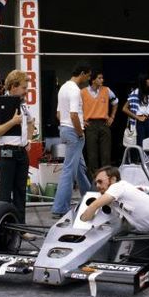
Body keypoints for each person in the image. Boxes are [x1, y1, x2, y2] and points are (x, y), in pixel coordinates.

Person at [0, 70, 35, 228]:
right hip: (7, 152)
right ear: (13, 87)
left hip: (21, 152)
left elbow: (31, 121)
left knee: (21, 192)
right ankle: (3, 228)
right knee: (5, 194)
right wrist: (12, 122)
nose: (26, 91)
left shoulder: (23, 106)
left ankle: (20, 228)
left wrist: (29, 139)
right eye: (23, 88)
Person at [51, 64, 92, 219]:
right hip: (74, 133)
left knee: (80, 168)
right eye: (88, 76)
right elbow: (74, 114)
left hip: (65, 129)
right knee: (69, 170)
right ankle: (60, 208)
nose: (88, 79)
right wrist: (79, 131)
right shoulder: (75, 90)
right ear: (82, 73)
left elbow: (59, 114)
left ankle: (89, 196)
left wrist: (72, 124)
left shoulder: (63, 88)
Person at [80, 166, 149, 232]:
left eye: (100, 181)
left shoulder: (117, 186)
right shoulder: (124, 188)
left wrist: (83, 219)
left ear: (113, 179)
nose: (97, 186)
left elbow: (94, 206)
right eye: (96, 183)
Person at [81, 70, 119, 178]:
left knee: (106, 154)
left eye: (102, 78)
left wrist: (112, 116)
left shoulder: (106, 90)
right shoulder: (83, 92)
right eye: (99, 78)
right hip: (90, 124)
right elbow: (77, 107)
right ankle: (93, 180)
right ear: (93, 80)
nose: (102, 80)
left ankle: (106, 178)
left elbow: (115, 103)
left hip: (104, 124)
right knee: (92, 155)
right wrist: (82, 120)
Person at [122, 74, 149, 146]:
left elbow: (148, 110)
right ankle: (139, 157)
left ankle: (147, 157)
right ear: (143, 81)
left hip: (148, 121)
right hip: (139, 122)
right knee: (140, 144)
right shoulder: (135, 93)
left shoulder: (148, 94)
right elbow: (124, 108)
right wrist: (138, 117)